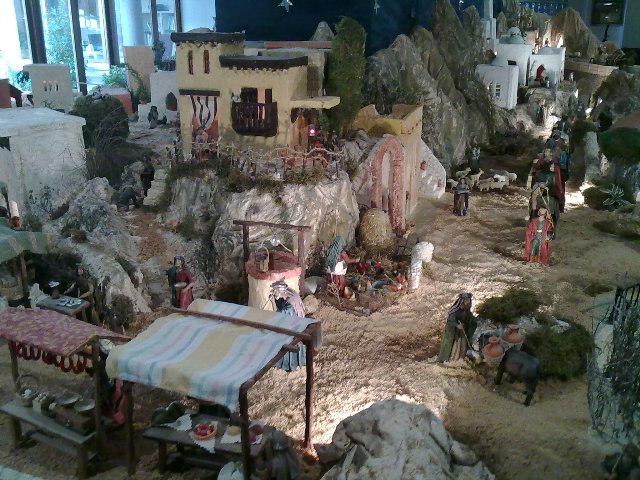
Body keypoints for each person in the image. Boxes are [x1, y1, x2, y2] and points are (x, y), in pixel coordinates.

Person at [269, 280, 307, 372]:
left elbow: (280, 316)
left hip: (292, 329)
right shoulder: (288, 295)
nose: (273, 293)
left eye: (275, 291)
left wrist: (273, 302)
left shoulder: (289, 305)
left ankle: (288, 364)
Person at [437, 293, 477, 363]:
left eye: (469, 300)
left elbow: (470, 319)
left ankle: (460, 359)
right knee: (454, 346)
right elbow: (450, 321)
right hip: (453, 332)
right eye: (466, 300)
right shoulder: (454, 311)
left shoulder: (467, 311)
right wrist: (457, 325)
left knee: (463, 345)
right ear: (462, 301)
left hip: (462, 331)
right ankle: (451, 359)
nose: (468, 302)